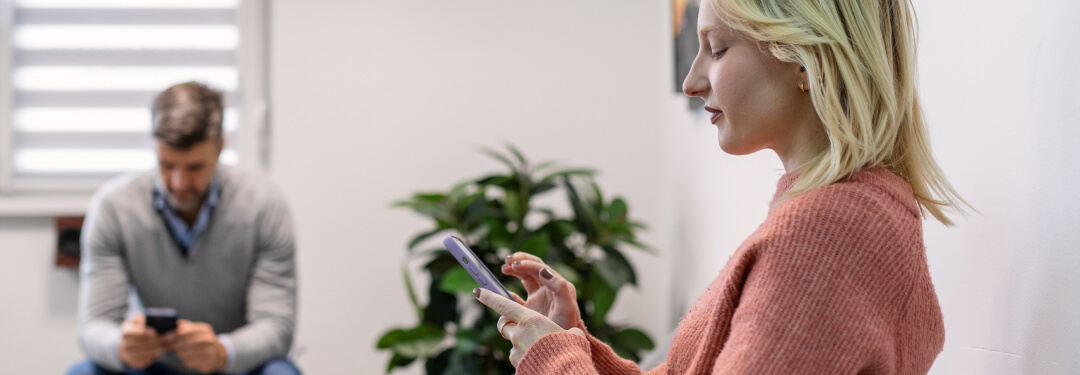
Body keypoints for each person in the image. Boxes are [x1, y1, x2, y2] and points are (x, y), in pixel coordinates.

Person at [475, 0, 968, 373]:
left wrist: (555, 361)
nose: (691, 82)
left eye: (717, 48)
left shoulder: (826, 232)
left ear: (804, 55)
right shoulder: (851, 212)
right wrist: (571, 345)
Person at [66, 82, 301, 375]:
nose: (178, 183)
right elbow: (93, 325)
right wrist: (120, 346)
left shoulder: (264, 206)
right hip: (152, 368)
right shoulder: (114, 207)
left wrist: (223, 352)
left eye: (194, 168)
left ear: (220, 147)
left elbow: (277, 327)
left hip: (233, 366)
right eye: (167, 165)